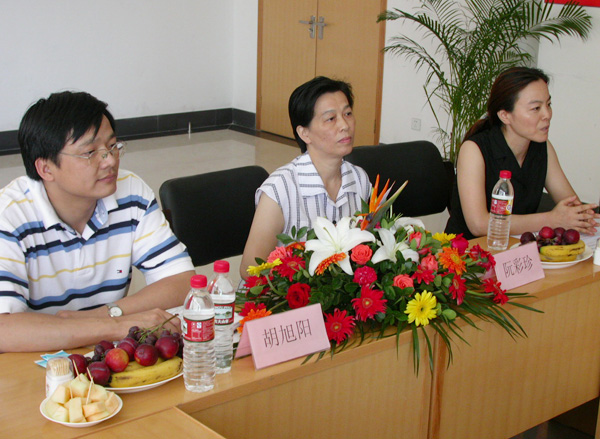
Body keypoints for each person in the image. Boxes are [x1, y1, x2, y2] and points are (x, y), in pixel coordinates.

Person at [0, 91, 195, 352]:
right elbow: (4, 329)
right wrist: (115, 326)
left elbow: (181, 281)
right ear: (46, 168)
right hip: (34, 357)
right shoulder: (9, 216)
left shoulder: (130, 191)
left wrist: (106, 315)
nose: (110, 160)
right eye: (90, 152)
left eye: (112, 146)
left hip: (106, 355)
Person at [240, 76, 372, 278]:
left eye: (347, 114)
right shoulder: (279, 190)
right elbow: (250, 271)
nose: (344, 125)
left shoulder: (359, 178)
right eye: (331, 119)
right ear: (304, 133)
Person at [445, 67, 598, 240]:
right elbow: (478, 224)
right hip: (467, 251)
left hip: (516, 248)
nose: (547, 115)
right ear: (505, 116)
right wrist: (552, 219)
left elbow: (571, 205)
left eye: (548, 105)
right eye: (536, 108)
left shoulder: (542, 147)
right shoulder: (474, 149)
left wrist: (581, 216)